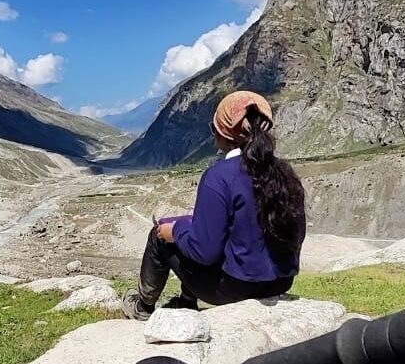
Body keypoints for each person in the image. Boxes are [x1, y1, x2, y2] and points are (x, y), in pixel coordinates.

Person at [122, 90, 307, 320]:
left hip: (236, 288)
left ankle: (143, 307)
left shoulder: (218, 176)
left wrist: (176, 230)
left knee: (159, 237)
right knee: (199, 228)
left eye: (214, 129)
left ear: (223, 134)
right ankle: (185, 302)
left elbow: (204, 251)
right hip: (281, 282)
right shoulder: (284, 173)